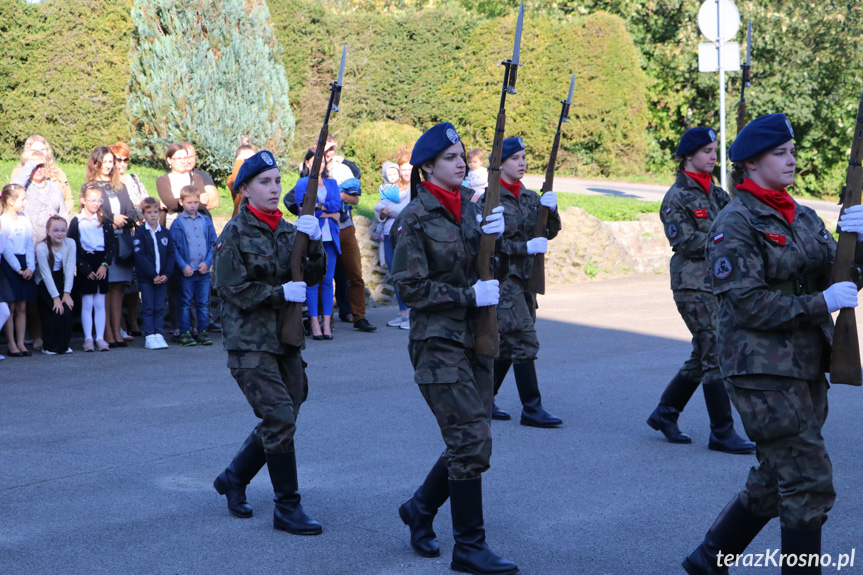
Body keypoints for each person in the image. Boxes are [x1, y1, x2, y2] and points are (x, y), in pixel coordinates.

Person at [682, 113, 863, 574]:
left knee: (775, 474)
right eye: (780, 154)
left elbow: (837, 276)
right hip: (759, 367)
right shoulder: (735, 222)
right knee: (807, 481)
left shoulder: (799, 214)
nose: (792, 161)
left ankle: (709, 559)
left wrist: (859, 244)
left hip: (803, 363)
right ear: (751, 164)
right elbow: (746, 305)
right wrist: (820, 303)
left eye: (792, 152)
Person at [392, 122, 516, 575]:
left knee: (468, 436)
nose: (461, 161)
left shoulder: (473, 208)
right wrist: (468, 297)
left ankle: (420, 507)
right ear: (427, 168)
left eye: (462, 155)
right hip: (438, 342)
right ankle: (469, 547)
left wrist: (496, 243)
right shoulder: (416, 218)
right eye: (449, 157)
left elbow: (487, 267)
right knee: (472, 440)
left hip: (476, 338)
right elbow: (411, 289)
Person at [212, 150, 326, 535]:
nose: (274, 188)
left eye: (277, 181)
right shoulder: (235, 233)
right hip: (249, 342)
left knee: (287, 415)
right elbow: (231, 289)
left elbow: (313, 274)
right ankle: (287, 508)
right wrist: (281, 293)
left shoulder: (290, 230)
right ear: (244, 189)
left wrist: (314, 239)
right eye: (264, 182)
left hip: (286, 339)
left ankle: (233, 477)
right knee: (279, 417)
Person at [646, 127, 755, 455]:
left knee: (703, 353)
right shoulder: (676, 197)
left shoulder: (719, 193)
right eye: (707, 151)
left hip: (718, 283)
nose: (712, 156)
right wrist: (723, 238)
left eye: (714, 150)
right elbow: (684, 242)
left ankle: (665, 413)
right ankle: (722, 432)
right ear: (689, 155)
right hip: (692, 284)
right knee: (715, 353)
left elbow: (740, 219)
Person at [478, 137, 563, 428]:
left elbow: (548, 232)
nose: (522, 163)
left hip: (526, 280)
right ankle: (532, 408)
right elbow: (486, 245)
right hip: (503, 279)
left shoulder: (528, 197)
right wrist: (523, 248)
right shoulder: (490, 199)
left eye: (524, 157)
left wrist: (551, 210)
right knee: (525, 340)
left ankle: (484, 400)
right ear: (500, 164)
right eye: (515, 158)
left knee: (510, 344)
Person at [85, 146, 139, 348]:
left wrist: (123, 220)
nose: (108, 166)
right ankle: (106, 331)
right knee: (106, 288)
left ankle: (117, 330)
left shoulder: (120, 186)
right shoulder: (89, 186)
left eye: (111, 162)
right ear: (96, 163)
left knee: (118, 287)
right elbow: (93, 212)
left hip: (121, 241)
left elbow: (132, 211)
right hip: (102, 241)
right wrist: (111, 220)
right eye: (105, 162)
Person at [325, 136, 377, 333]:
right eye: (325, 148)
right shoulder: (314, 168)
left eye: (332, 148)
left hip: (345, 226)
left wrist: (337, 195)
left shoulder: (343, 170)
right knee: (325, 276)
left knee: (355, 274)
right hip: (323, 228)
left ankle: (359, 317)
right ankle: (325, 318)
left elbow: (355, 200)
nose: (329, 153)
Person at [290, 148, 342, 340]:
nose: (317, 164)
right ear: (307, 164)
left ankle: (326, 324)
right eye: (314, 161)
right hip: (312, 239)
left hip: (331, 239)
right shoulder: (302, 183)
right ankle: (314, 324)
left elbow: (338, 205)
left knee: (328, 282)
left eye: (320, 161)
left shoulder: (332, 182)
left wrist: (320, 207)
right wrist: (328, 212)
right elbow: (304, 208)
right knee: (312, 282)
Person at [67, 183, 114, 352]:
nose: (96, 203)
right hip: (85, 262)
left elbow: (111, 246)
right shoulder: (77, 221)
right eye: (92, 200)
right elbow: (73, 246)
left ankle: (100, 338)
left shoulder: (105, 221)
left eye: (98, 200)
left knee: (100, 302)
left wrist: (104, 265)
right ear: (83, 200)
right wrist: (84, 268)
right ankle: (88, 338)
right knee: (87, 303)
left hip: (101, 263)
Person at [110, 141, 150, 340]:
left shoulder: (133, 178)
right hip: (120, 233)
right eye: (118, 159)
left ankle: (133, 319)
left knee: (135, 282)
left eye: (126, 159)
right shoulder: (108, 182)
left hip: (138, 232)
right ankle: (121, 322)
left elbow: (147, 201)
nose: (122, 163)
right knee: (121, 281)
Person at [170, 185, 217, 346]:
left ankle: (202, 331)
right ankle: (185, 332)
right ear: (181, 202)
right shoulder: (177, 224)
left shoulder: (206, 221)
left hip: (203, 270)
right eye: (189, 202)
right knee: (185, 302)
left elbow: (213, 243)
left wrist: (208, 262)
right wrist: (183, 266)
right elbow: (174, 248)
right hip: (187, 271)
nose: (193, 205)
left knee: (203, 302)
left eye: (196, 202)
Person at [375, 158, 412, 330]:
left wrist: (389, 210)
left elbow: (407, 210)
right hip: (389, 235)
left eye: (409, 169)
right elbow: (379, 210)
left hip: (406, 235)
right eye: (402, 169)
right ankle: (403, 311)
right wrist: (382, 212)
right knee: (395, 273)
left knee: (408, 273)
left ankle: (412, 313)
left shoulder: (415, 189)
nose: (405, 173)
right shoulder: (392, 189)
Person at [134, 197, 174, 350]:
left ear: (159, 213)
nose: (152, 215)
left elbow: (171, 254)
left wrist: (166, 274)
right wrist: (153, 275)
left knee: (159, 306)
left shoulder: (165, 232)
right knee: (149, 306)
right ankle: (149, 334)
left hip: (162, 277)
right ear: (143, 214)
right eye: (149, 212)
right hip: (147, 278)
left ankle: (158, 333)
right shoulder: (140, 233)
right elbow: (140, 256)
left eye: (155, 212)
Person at [0, 185, 36, 357]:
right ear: (10, 201)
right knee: (11, 306)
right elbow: (5, 248)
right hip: (10, 265)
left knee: (22, 306)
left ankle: (21, 343)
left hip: (23, 263)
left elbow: (29, 242)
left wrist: (30, 266)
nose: (25, 202)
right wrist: (18, 269)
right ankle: (11, 343)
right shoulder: (3, 221)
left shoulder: (24, 219)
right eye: (22, 199)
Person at [35, 216, 75, 355]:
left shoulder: (70, 243)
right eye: (56, 230)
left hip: (61, 280)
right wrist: (56, 297)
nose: (60, 233)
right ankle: (49, 346)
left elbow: (70, 269)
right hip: (45, 283)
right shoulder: (42, 248)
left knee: (67, 310)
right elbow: (45, 274)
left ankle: (64, 345)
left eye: (63, 230)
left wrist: (66, 293)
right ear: (48, 231)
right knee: (55, 311)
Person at [10, 135, 74, 214]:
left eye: (43, 149)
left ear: (47, 151)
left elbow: (69, 199)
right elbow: (13, 196)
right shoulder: (19, 172)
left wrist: (60, 216)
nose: (40, 152)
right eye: (35, 150)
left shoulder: (59, 172)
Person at [183, 142, 220, 211]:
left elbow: (214, 202)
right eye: (185, 158)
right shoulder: (169, 177)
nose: (189, 161)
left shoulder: (203, 176)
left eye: (191, 157)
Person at [227, 136, 257, 218]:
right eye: (245, 160)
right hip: (240, 224)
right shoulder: (232, 180)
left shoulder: (261, 178)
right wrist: (240, 158)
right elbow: (235, 180)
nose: (248, 162)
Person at [373, 161, 402, 241]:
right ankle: (377, 233)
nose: (392, 177)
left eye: (394, 174)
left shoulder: (394, 185)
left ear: (399, 174)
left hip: (389, 204)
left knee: (384, 222)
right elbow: (393, 196)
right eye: (389, 175)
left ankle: (377, 233)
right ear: (385, 176)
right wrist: (400, 199)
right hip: (387, 203)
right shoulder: (387, 186)